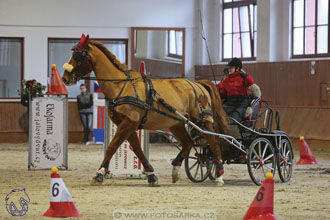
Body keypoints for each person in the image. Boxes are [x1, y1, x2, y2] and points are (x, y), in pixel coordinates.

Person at [217, 58, 255, 123]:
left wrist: (245, 76)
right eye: (229, 68)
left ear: (237, 69)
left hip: (241, 104)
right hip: (230, 103)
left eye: (231, 68)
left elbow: (251, 82)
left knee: (235, 116)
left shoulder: (243, 78)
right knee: (218, 111)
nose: (229, 70)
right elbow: (223, 92)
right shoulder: (226, 80)